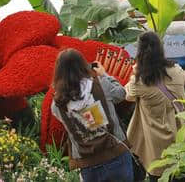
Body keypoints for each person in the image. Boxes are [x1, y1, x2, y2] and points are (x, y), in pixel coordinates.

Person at [50, 49, 133, 182]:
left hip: (88, 164)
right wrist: (104, 74)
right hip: (116, 155)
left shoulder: (57, 105)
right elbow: (121, 94)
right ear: (83, 65)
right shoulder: (100, 84)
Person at [125, 32, 185, 182]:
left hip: (156, 147)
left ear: (140, 52)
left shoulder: (139, 81)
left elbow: (127, 95)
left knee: (159, 177)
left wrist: (134, 72)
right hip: (181, 138)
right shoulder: (176, 71)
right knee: (181, 176)